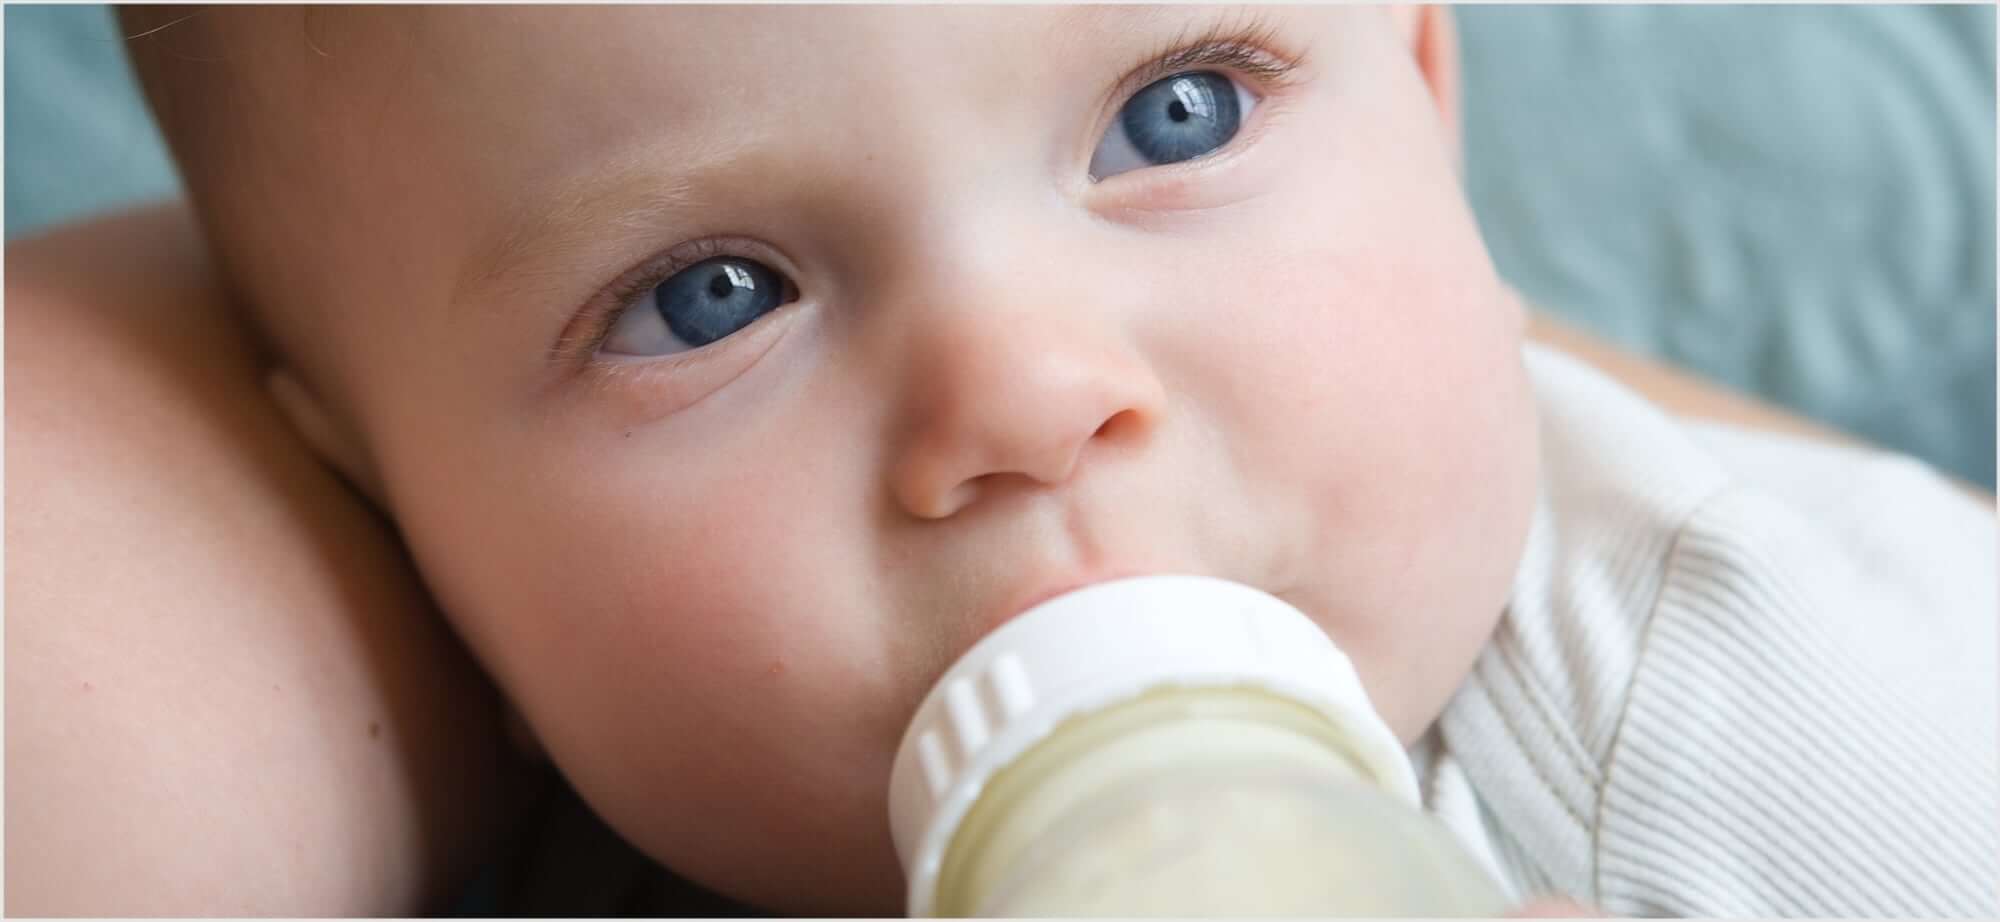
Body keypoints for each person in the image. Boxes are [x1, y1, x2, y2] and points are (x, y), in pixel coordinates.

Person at [8, 5, 1991, 916]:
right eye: (708, 298)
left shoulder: (1839, 724)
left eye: (1176, 110)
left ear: (1423, 82)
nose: (1031, 395)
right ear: (389, 512)